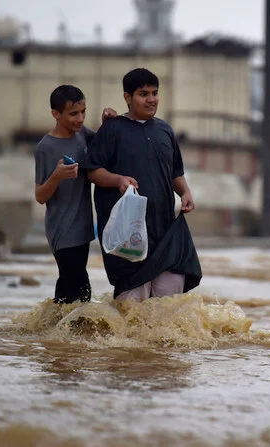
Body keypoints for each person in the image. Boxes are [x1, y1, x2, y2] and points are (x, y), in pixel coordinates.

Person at [85, 68, 202, 302]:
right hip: (128, 234)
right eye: (143, 94)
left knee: (169, 308)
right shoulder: (112, 129)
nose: (151, 100)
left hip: (165, 232)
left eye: (155, 93)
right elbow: (92, 171)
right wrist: (118, 180)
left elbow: (175, 172)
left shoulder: (165, 130)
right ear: (127, 98)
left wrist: (185, 192)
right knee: (131, 310)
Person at [34, 85, 117, 304]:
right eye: (73, 114)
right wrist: (57, 176)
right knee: (80, 289)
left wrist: (107, 122)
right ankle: (62, 332)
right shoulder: (46, 147)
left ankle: (53, 333)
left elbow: (102, 143)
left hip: (82, 228)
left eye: (83, 112)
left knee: (70, 289)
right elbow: (40, 196)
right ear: (56, 114)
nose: (80, 119)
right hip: (61, 230)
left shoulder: (82, 134)